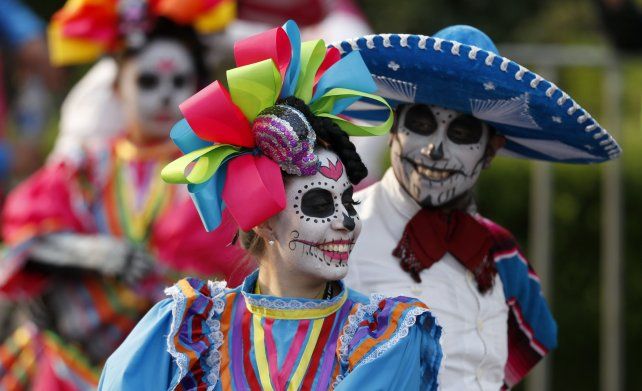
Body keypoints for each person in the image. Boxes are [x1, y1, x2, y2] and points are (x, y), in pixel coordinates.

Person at [99, 21, 442, 390]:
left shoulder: (385, 336)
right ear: (263, 220)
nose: (347, 221)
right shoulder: (183, 327)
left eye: (349, 201)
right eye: (318, 203)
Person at [333, 25, 622, 389]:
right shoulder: (339, 234)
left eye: (462, 133)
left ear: (491, 150)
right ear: (393, 129)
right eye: (420, 124)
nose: (434, 150)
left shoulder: (502, 255)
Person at [0, 1, 240, 389]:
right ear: (117, 87)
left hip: (173, 369)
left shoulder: (215, 175)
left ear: (197, 88)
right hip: (69, 365)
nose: (164, 96)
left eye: (179, 82)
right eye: (148, 82)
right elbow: (26, 241)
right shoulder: (85, 168)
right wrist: (91, 253)